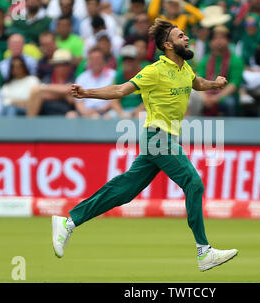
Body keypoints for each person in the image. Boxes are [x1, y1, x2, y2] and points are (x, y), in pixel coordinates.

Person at [51, 18, 238, 272]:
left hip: (163, 140)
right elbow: (120, 90)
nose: (187, 38)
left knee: (125, 190)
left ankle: (68, 223)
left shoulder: (186, 69)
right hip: (157, 137)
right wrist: (88, 93)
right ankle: (204, 252)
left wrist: (214, 84)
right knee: (194, 183)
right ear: (167, 45)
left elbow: (197, 83)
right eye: (181, 36)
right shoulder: (154, 71)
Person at [65, 47, 115, 118]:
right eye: (92, 59)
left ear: (103, 60)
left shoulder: (112, 75)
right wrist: (85, 113)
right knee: (70, 115)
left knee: (97, 117)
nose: (95, 61)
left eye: (97, 58)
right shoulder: (82, 77)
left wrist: (98, 111)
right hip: (85, 112)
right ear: (88, 61)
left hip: (105, 112)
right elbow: (78, 101)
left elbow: (114, 100)